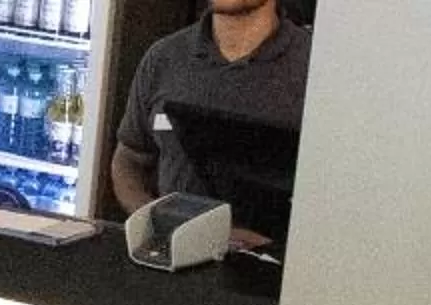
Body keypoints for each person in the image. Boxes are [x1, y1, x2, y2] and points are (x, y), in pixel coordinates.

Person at [109, 0, 313, 217]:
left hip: (278, 250)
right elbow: (130, 157)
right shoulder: (163, 58)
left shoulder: (316, 67)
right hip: (177, 248)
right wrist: (152, 220)